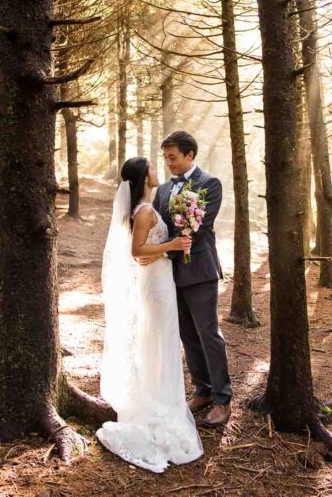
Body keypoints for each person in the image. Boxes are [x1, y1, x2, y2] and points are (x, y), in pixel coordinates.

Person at [96, 156, 203, 473]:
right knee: (160, 338)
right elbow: (137, 251)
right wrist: (171, 244)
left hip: (158, 278)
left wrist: (173, 246)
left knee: (160, 340)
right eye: (152, 168)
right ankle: (159, 402)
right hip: (156, 285)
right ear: (144, 177)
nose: (157, 171)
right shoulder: (143, 212)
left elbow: (144, 252)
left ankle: (161, 394)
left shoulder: (145, 207)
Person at [146, 130, 233, 428]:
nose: (168, 163)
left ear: (190, 155)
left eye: (173, 157)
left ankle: (223, 400)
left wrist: (166, 248)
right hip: (170, 273)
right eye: (166, 157)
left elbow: (198, 228)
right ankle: (203, 390)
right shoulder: (163, 190)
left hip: (200, 271)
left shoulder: (210, 184)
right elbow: (158, 227)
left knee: (208, 334)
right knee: (187, 334)